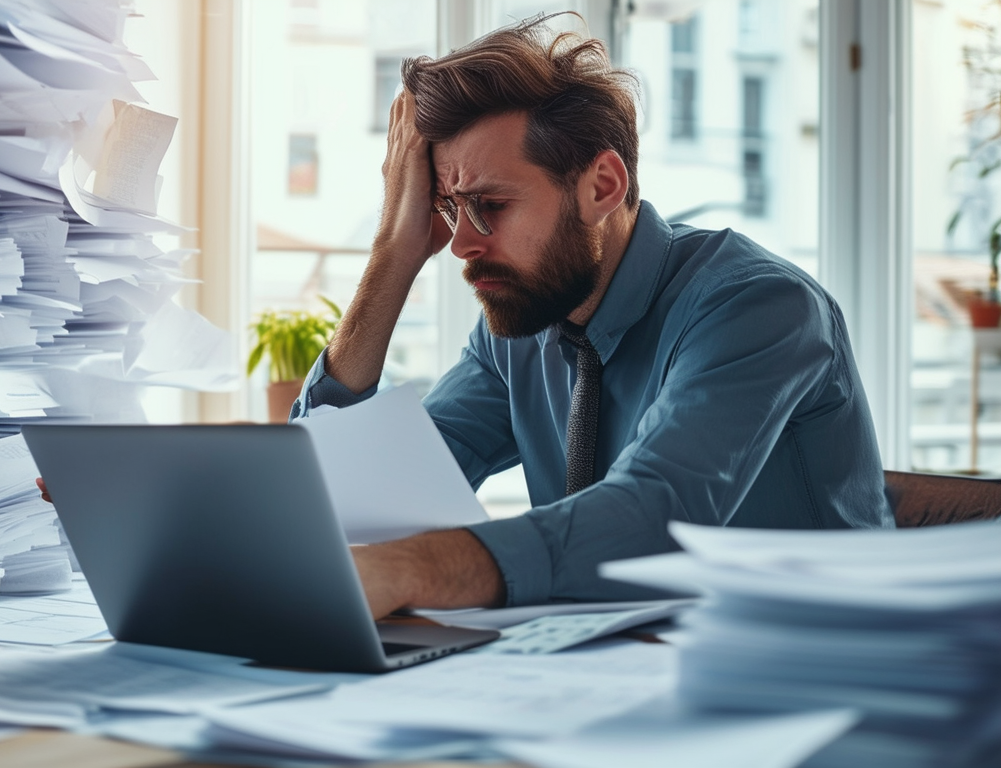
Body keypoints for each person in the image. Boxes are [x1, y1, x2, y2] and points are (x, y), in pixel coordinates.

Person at [290, 19, 893, 620]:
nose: (460, 245)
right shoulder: (522, 328)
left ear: (602, 185)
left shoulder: (758, 306)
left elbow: (653, 516)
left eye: (489, 206)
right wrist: (392, 258)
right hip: (620, 669)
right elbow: (350, 494)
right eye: (449, 209)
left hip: (818, 669)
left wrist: (416, 569)